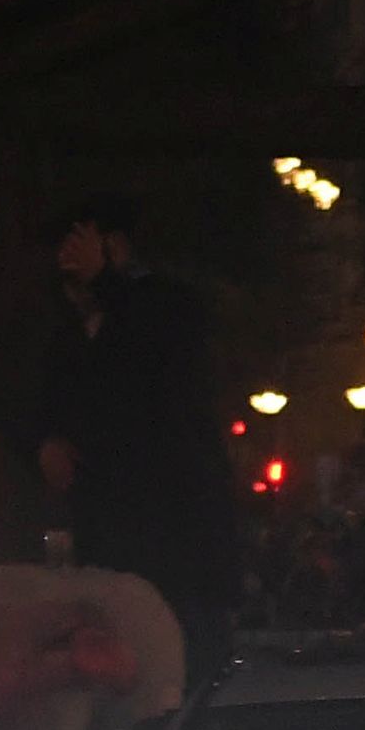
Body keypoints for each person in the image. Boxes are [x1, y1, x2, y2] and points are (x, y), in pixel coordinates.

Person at [27, 198, 248, 685]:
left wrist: (106, 282)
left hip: (177, 538)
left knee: (186, 669)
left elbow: (153, 367)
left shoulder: (168, 306)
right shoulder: (69, 335)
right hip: (111, 537)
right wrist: (47, 440)